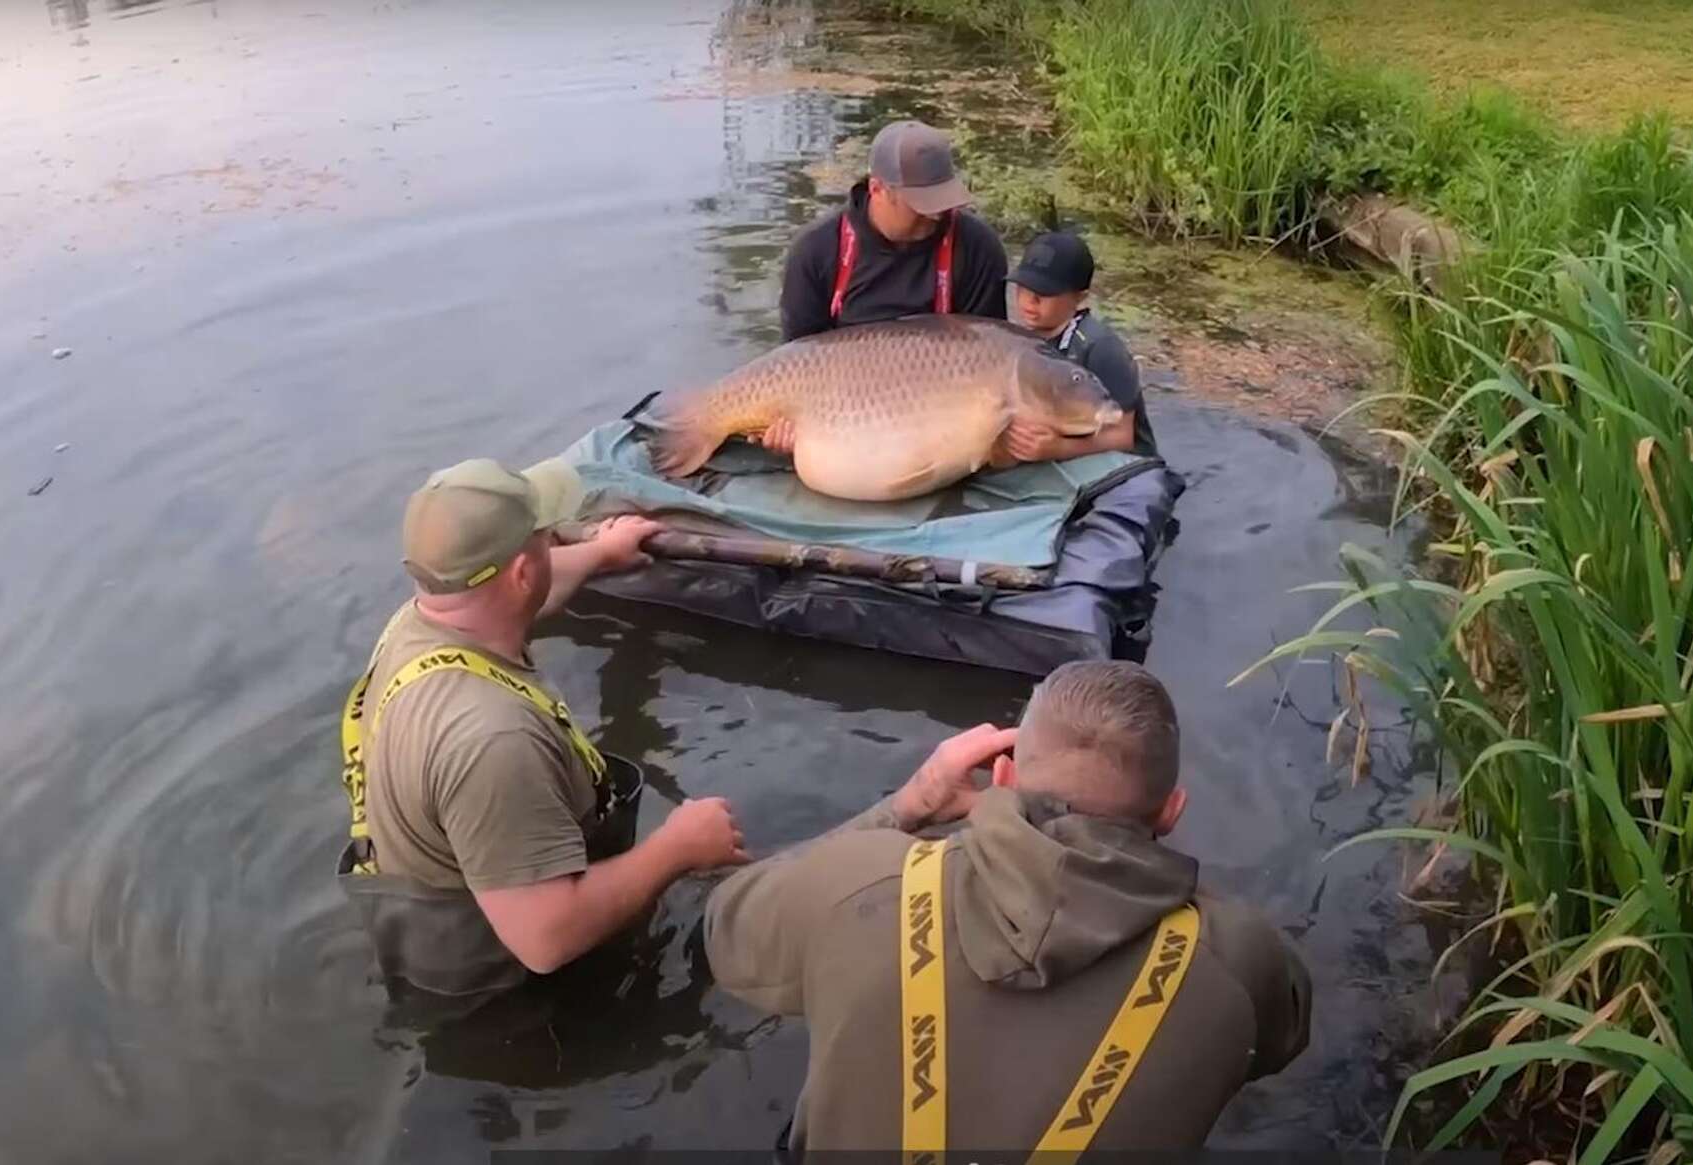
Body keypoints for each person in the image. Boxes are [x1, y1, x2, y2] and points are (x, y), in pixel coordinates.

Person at [704, 661, 1311, 1153]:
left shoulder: (858, 883)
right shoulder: (1239, 959)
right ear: (1172, 811)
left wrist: (907, 806)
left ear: (1002, 776)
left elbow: (727, 923)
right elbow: (1282, 1038)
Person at [337, 457, 749, 998]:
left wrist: (601, 552)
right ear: (522, 572)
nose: (555, 542)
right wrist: (677, 848)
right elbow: (546, 939)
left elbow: (524, 594)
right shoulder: (492, 741)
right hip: (511, 996)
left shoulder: (416, 625)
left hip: (441, 934)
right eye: (547, 537)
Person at [778, 118, 1009, 342]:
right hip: (839, 378)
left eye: (942, 200)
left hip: (948, 377)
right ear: (877, 189)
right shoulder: (815, 251)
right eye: (921, 205)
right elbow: (800, 356)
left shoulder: (978, 247)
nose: (936, 214)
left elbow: (988, 348)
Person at [1005, 230, 1157, 458]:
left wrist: (1058, 449)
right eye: (1024, 288)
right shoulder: (1017, 340)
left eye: (1044, 293)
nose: (1030, 301)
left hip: (1123, 465)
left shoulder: (1101, 348)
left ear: (1079, 297)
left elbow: (1124, 435)